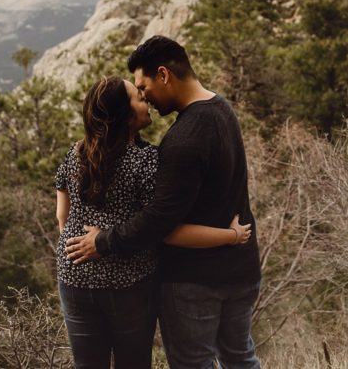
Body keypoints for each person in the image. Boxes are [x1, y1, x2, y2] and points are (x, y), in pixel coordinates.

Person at [66, 36, 262, 369]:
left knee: (193, 363)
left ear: (164, 75)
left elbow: (159, 220)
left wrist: (103, 240)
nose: (144, 98)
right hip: (242, 270)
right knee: (240, 358)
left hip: (196, 280)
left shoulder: (183, 140)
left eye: (143, 88)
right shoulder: (222, 108)